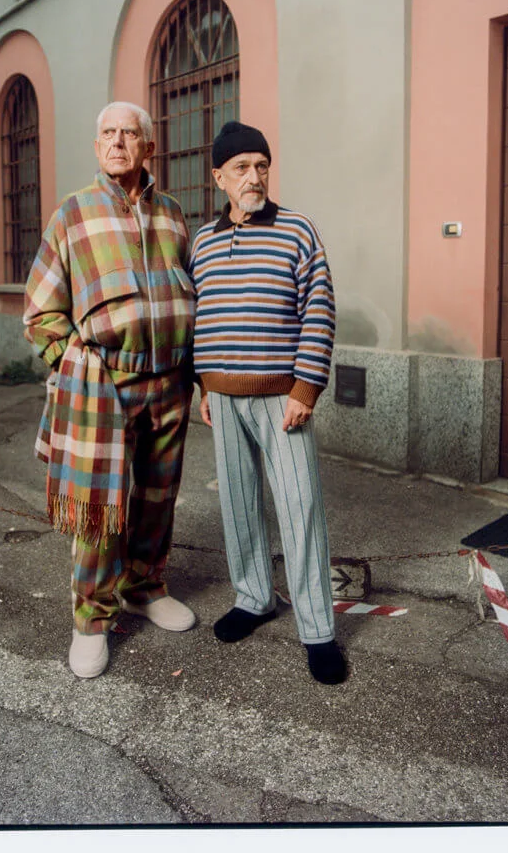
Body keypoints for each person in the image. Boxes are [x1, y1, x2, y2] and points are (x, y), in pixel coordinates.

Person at [24, 101, 196, 679]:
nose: (118, 142)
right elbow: (40, 312)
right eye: (108, 134)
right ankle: (92, 619)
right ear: (97, 146)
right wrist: (73, 363)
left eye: (129, 133)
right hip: (106, 383)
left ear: (149, 146)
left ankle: (145, 588)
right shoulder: (72, 214)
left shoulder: (172, 214)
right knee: (100, 508)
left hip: (169, 380)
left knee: (157, 497)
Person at [189, 120, 346, 685]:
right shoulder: (202, 242)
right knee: (238, 503)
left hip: (282, 398)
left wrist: (305, 389)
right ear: (219, 178)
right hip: (222, 397)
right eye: (241, 167)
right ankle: (253, 598)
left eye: (261, 166)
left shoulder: (297, 230)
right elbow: (201, 316)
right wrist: (204, 385)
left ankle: (318, 631)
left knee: (300, 509)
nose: (253, 176)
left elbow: (319, 312)